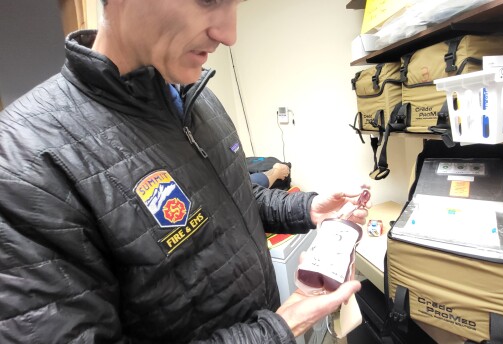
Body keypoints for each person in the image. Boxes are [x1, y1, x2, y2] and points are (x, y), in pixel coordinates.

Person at [0, 0, 369, 343]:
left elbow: (233, 197)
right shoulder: (26, 158)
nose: (229, 34)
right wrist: (277, 330)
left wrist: (306, 208)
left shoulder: (199, 96)